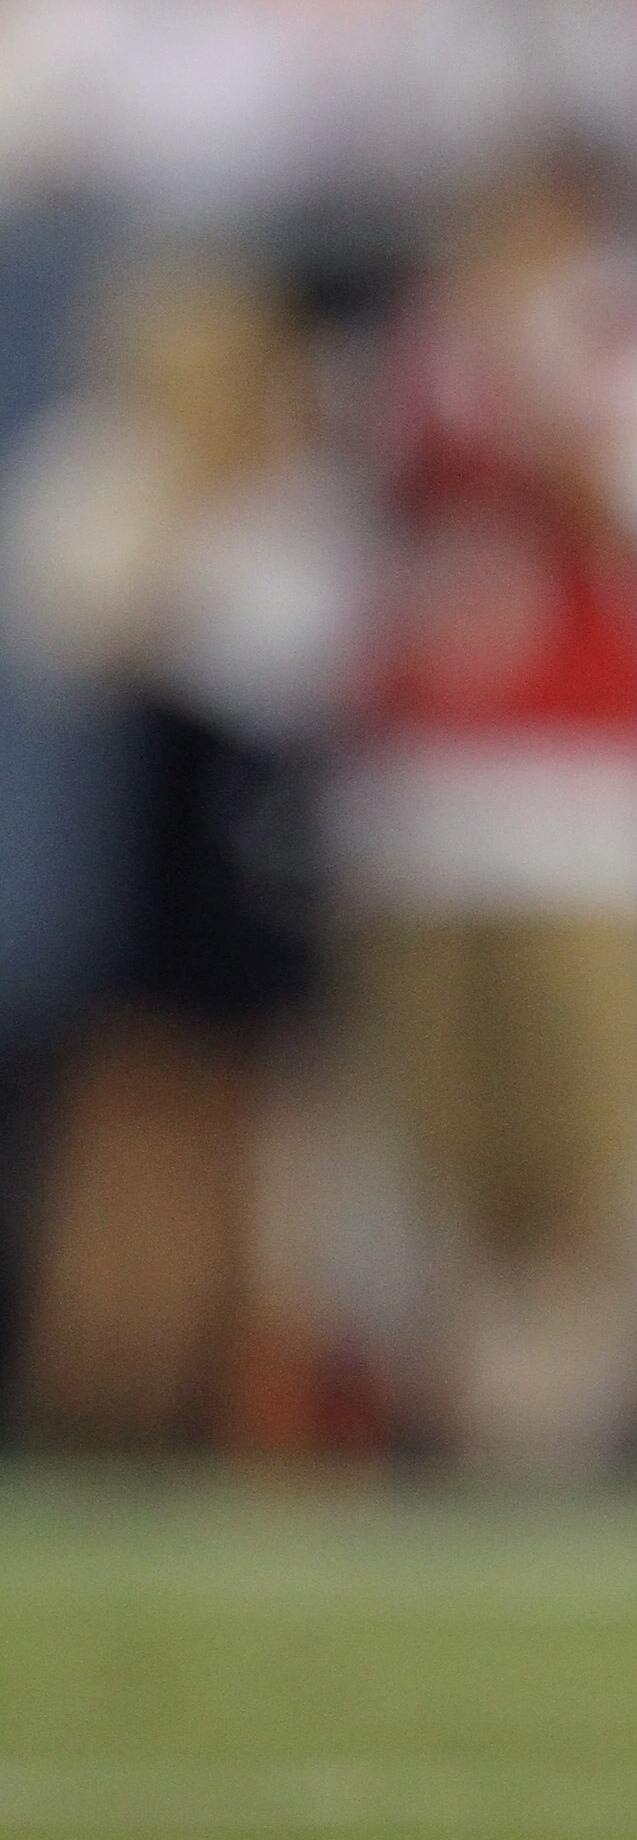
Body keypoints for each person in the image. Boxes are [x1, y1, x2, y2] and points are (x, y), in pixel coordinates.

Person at [340, 159, 637, 1478]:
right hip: (424, 810)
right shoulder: (410, 357)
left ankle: (609, 1425)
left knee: (595, 1159)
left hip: (603, 821)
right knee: (451, 1160)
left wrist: (535, 373)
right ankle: (468, 1420)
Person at [0, 254, 368, 1447]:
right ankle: (101, 1392)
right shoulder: (105, 471)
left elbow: (322, 656)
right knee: (133, 1121)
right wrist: (184, 497)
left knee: (267, 1136)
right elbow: (88, 627)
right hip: (148, 825)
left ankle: (243, 1400)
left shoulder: (312, 490)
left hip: (267, 830)